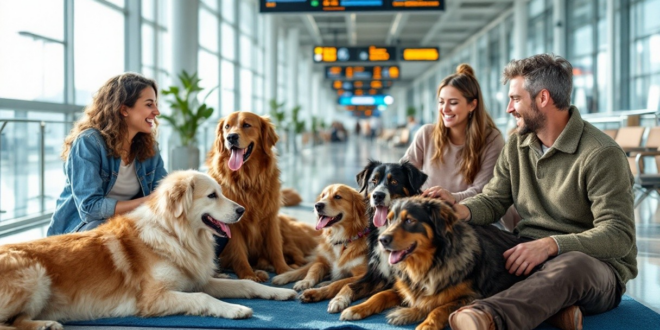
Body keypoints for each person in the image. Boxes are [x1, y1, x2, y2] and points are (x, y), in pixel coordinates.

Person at [445, 54, 637, 330]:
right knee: (462, 232)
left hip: (592, 268)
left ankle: (487, 317)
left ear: (543, 98)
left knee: (571, 267)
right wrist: (461, 211)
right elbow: (494, 199)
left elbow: (619, 235)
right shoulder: (517, 144)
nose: (510, 108)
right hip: (528, 251)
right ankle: (554, 310)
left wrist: (551, 245)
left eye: (516, 99)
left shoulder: (601, 154)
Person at [47, 73, 167, 236]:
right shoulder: (88, 142)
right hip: (81, 229)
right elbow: (90, 209)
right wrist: (147, 202)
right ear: (124, 109)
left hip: (129, 223)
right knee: (107, 230)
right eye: (149, 104)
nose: (157, 111)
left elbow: (163, 191)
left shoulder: (149, 146)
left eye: (156, 104)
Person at [402, 64, 505, 207]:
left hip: (471, 215)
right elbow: (402, 175)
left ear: (472, 105)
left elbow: (483, 191)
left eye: (453, 103)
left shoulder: (492, 139)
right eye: (441, 102)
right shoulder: (426, 134)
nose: (445, 109)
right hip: (429, 213)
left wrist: (451, 197)